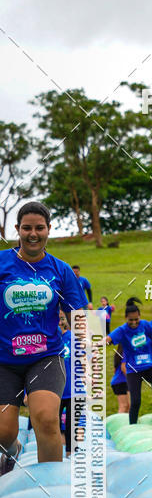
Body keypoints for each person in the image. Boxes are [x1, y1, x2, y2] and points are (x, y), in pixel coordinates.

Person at [0, 201, 88, 473]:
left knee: (47, 419)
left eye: (39, 228)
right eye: (27, 228)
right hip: (4, 361)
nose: (33, 234)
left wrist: (87, 349)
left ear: (49, 229)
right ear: (17, 229)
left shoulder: (60, 270)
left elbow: (78, 317)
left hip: (46, 358)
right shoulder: (2, 262)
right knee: (3, 432)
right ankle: (12, 450)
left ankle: (51, 490)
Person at [103, 297, 152, 424]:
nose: (134, 322)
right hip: (133, 370)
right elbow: (108, 339)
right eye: (130, 320)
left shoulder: (145, 325)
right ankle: (132, 426)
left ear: (140, 316)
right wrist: (95, 345)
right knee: (135, 402)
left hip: (149, 365)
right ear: (125, 318)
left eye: (136, 319)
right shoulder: (122, 330)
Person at [58, 310, 73, 456]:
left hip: (72, 390)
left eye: (62, 319)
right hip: (54, 390)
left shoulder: (72, 338)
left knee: (71, 424)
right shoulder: (49, 340)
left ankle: (70, 453)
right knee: (53, 425)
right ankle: (57, 454)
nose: (60, 322)